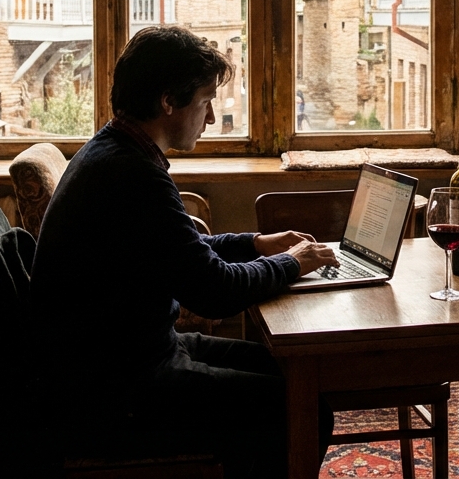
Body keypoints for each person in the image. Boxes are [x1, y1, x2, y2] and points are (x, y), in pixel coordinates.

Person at [30, 26, 337, 477]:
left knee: (292, 374)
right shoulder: (132, 174)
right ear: (168, 101)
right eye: (206, 100)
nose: (211, 118)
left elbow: (177, 249)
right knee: (302, 407)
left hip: (120, 362)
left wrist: (255, 244)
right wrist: (290, 264)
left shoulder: (114, 151)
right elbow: (213, 291)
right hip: (117, 391)